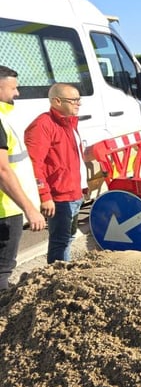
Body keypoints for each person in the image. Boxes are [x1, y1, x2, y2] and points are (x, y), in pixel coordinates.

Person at [24, 83, 87, 264]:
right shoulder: (43, 125)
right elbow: (35, 164)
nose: (78, 103)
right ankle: (57, 275)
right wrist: (44, 195)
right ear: (57, 101)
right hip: (60, 197)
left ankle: (62, 271)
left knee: (69, 237)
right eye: (73, 100)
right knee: (60, 241)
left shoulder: (69, 123)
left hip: (74, 194)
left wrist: (83, 186)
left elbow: (72, 158)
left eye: (79, 99)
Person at [0, 66, 46, 289]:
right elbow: (2, 170)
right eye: (13, 88)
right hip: (6, 210)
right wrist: (30, 209)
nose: (17, 93)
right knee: (2, 270)